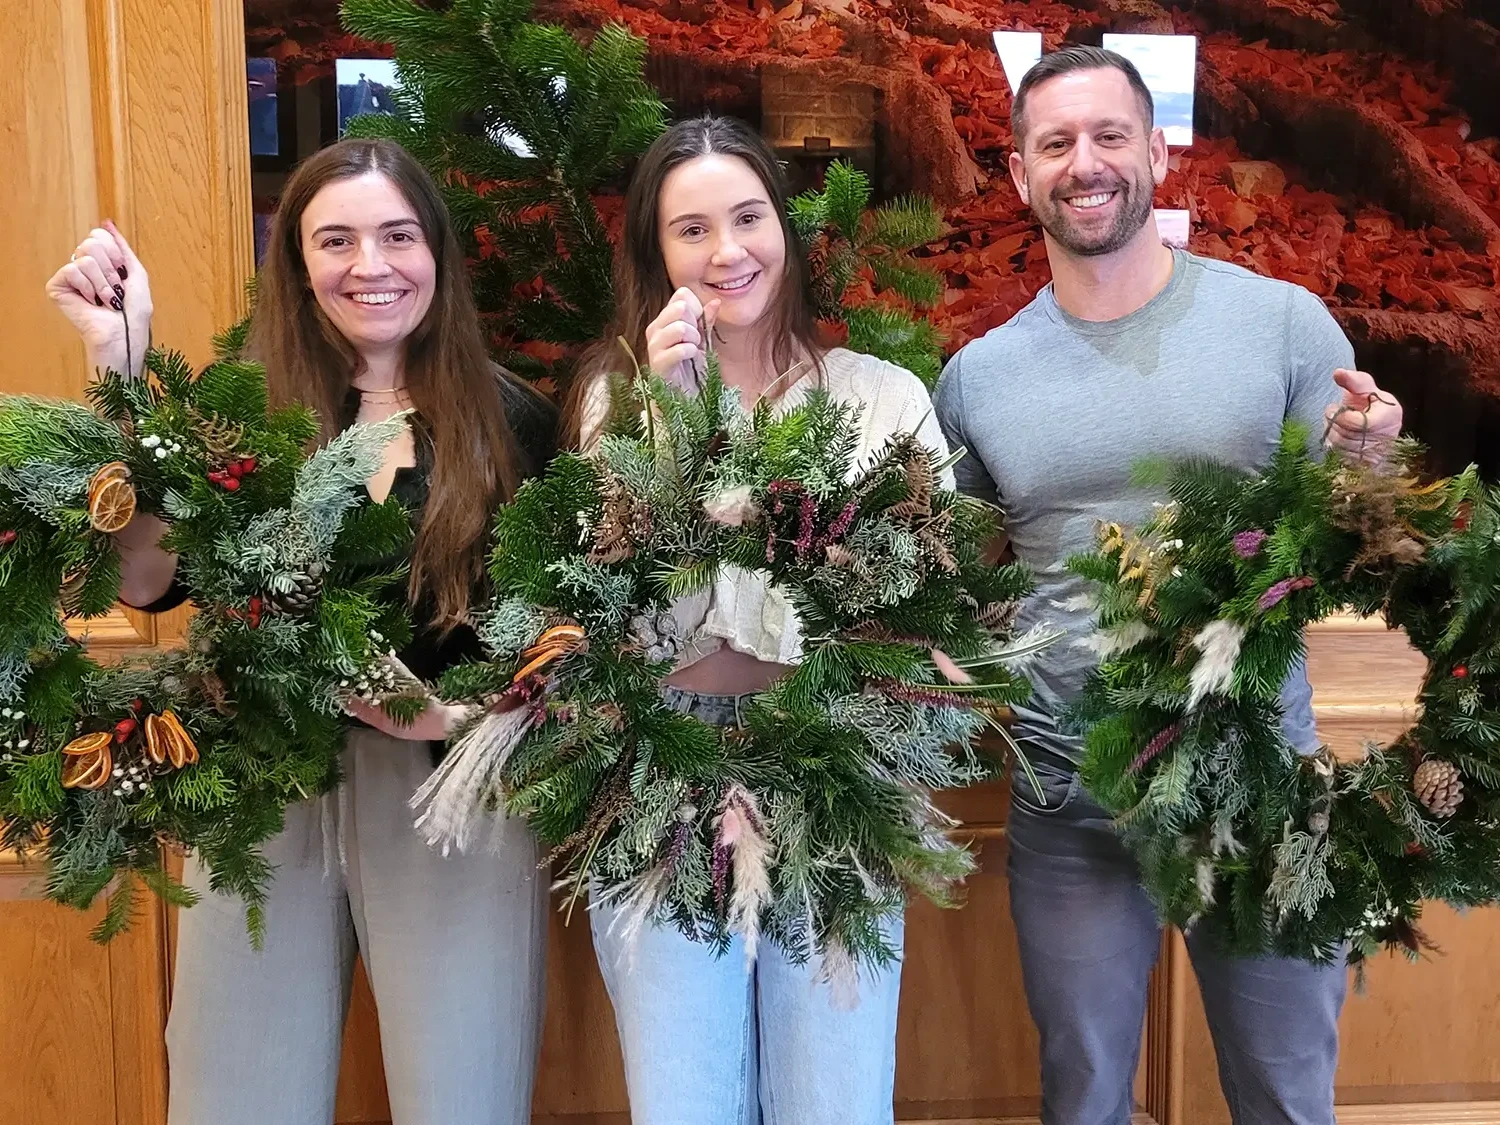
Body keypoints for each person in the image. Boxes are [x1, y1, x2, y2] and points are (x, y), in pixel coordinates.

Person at [933, 47, 1403, 1125]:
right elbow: (954, 570)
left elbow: (1344, 535)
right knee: (1083, 1094)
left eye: (1108, 136)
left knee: (1286, 1095)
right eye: (1055, 143)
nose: (1084, 163)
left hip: (1260, 787)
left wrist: (1366, 466)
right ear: (1018, 175)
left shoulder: (1281, 327)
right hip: (1068, 804)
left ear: (1155, 151)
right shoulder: (978, 378)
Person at [46, 137, 557, 1125]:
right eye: (337, 240)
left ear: (437, 255)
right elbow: (144, 576)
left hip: (450, 797)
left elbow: (567, 649)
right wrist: (120, 369)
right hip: (264, 791)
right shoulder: (246, 417)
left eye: (397, 236)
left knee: (464, 1095)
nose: (371, 265)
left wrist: (441, 715)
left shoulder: (513, 425)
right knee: (234, 1091)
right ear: (298, 263)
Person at [564, 113, 947, 1125]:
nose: (728, 251)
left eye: (748, 217)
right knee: (684, 1095)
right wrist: (672, 419)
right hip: (660, 794)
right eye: (691, 230)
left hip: (839, 782)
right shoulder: (617, 403)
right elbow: (607, 607)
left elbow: (920, 604)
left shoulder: (882, 399)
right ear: (657, 254)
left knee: (837, 1097)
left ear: (786, 227)